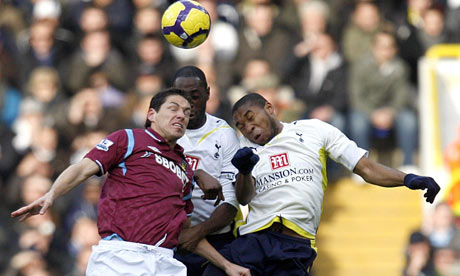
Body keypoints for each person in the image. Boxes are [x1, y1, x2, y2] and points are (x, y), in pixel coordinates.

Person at [11, 88, 250, 276]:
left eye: (187, 112)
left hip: (165, 262)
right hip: (121, 258)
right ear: (151, 114)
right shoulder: (128, 139)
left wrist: (226, 265)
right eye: (174, 108)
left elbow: (184, 231)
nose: (181, 115)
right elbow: (83, 168)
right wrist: (51, 194)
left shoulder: (184, 168)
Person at [203, 93, 441, 275]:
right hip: (254, 239)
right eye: (240, 125)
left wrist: (407, 179)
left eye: (250, 117)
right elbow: (244, 198)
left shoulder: (313, 130)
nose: (247, 127)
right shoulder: (244, 151)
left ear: (269, 108)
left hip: (294, 245)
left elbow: (366, 169)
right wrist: (244, 171)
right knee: (212, 272)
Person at [172, 66, 240, 276]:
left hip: (216, 236)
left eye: (195, 96)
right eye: (182, 97)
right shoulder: (163, 132)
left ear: (208, 94)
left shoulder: (224, 134)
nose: (189, 104)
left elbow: (230, 202)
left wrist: (197, 233)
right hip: (173, 238)